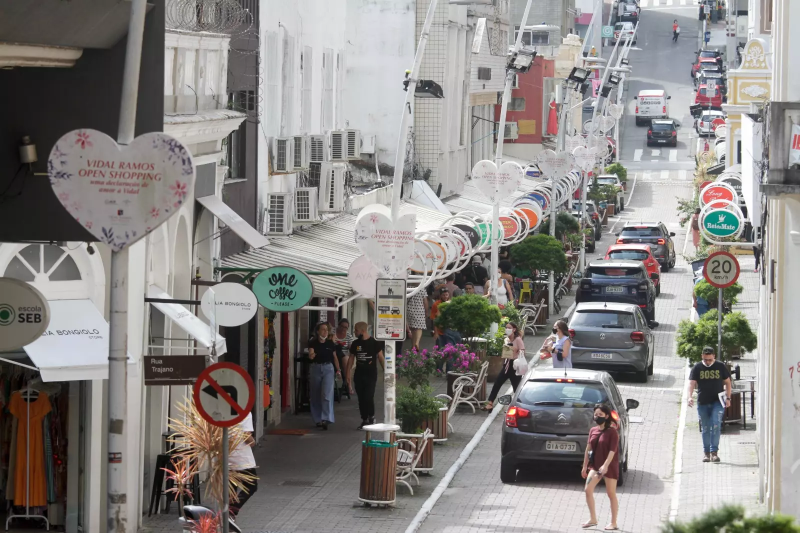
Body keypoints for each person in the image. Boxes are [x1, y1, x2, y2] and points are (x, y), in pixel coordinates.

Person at [688, 346, 732, 462]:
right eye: (706, 359)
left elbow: (728, 382)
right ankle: (706, 453)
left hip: (717, 402)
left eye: (710, 359)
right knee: (706, 428)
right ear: (702, 356)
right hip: (703, 401)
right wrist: (689, 397)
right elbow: (692, 383)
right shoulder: (697, 367)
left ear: (714, 357)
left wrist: (728, 398)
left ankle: (714, 452)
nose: (708, 362)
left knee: (716, 424)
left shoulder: (720, 366)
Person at [581, 404, 620, 531]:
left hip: (609, 467)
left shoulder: (612, 432)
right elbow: (588, 449)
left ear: (607, 416)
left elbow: (612, 451)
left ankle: (613, 522)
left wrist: (605, 466)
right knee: (588, 490)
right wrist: (585, 466)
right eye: (596, 414)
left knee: (611, 493)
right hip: (595, 466)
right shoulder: (593, 430)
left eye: (600, 415)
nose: (597, 417)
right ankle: (593, 519)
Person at [308, 322, 343, 430]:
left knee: (327, 394)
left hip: (328, 368)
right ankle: (318, 419)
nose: (325, 331)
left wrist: (338, 370)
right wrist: (312, 355)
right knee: (316, 394)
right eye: (323, 329)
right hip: (316, 368)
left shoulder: (330, 343)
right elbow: (311, 354)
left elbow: (335, 357)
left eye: (327, 330)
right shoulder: (313, 342)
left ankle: (326, 418)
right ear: (318, 331)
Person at [350, 322, 385, 429]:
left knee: (369, 396)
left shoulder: (374, 343)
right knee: (361, 397)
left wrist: (386, 372)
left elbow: (381, 357)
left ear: (362, 331)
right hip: (359, 374)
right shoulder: (355, 343)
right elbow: (351, 359)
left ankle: (372, 416)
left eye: (356, 330)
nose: (354, 332)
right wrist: (348, 374)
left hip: (371, 374)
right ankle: (364, 419)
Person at [483, 322, 525, 411]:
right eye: (506, 327)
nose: (507, 329)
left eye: (509, 328)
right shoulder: (506, 339)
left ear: (514, 330)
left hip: (514, 365)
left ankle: (520, 407)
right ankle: (490, 403)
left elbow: (523, 351)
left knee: (516, 388)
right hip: (506, 364)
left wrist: (515, 349)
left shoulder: (518, 339)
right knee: (497, 383)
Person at [228, 411, 257, 521]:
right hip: (242, 456)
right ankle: (231, 511)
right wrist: (253, 442)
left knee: (231, 486)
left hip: (225, 454)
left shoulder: (223, 408)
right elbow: (246, 435)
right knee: (251, 485)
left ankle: (228, 514)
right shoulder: (244, 412)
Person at [332, 319, 355, 397]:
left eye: (346, 327)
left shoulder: (348, 335)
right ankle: (347, 383)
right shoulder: (333, 333)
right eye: (342, 326)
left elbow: (352, 349)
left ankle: (348, 383)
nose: (343, 329)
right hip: (333, 355)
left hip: (344, 356)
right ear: (338, 325)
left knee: (346, 359)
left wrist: (349, 347)